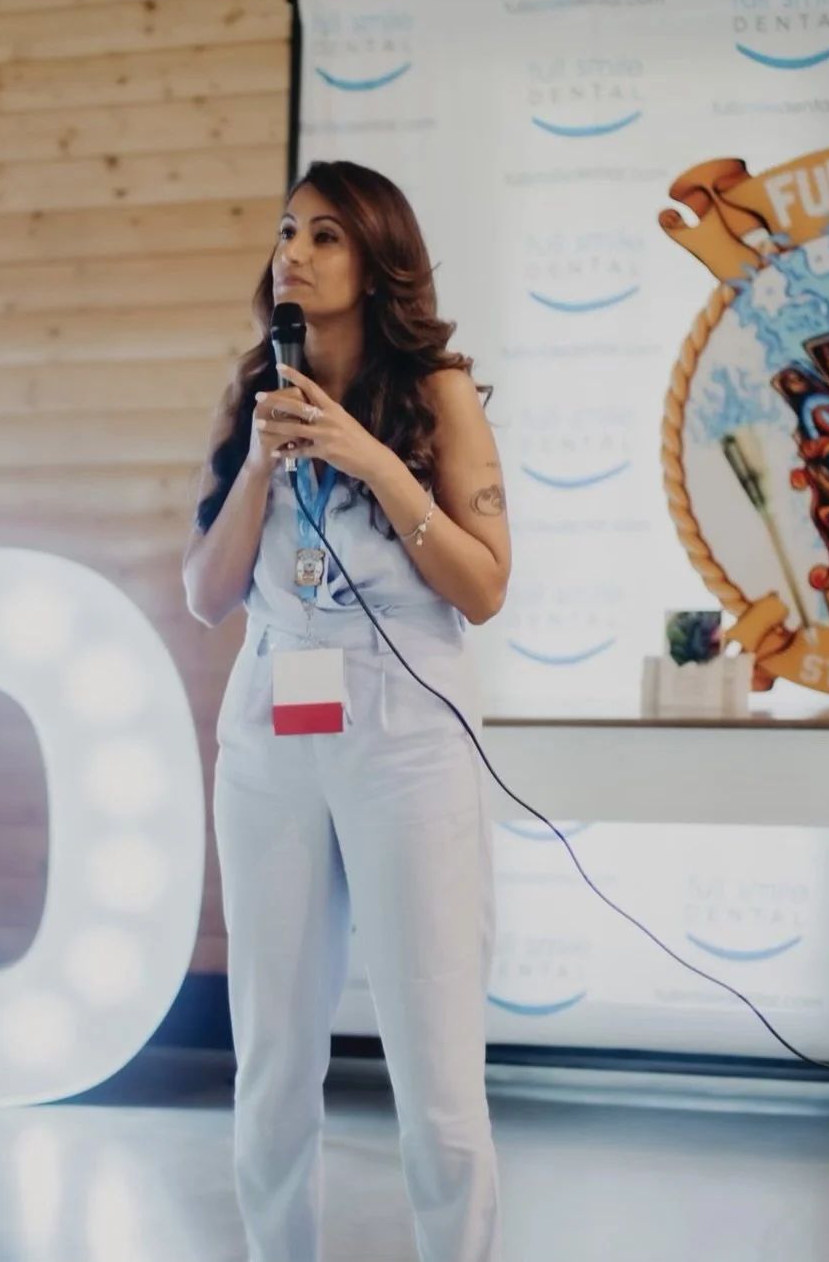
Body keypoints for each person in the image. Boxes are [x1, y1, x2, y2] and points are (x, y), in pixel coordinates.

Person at [183, 159, 511, 1262]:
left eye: (326, 234)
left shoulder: (438, 395)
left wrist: (374, 463)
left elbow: (485, 586)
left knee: (433, 1053)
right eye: (288, 229)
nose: (297, 251)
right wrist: (260, 474)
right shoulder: (255, 390)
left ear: (377, 262)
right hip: (272, 724)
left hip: (404, 733)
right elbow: (204, 595)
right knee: (272, 1052)